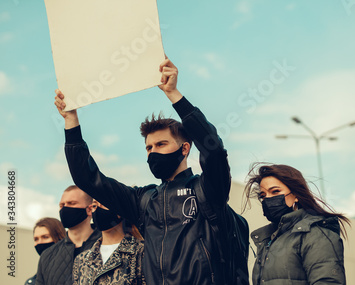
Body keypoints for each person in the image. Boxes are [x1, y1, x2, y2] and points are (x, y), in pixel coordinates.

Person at [54, 55, 248, 285]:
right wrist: (71, 120)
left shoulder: (208, 190)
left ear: (185, 148)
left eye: (161, 144)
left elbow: (214, 151)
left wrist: (174, 95)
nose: (153, 152)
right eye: (148, 147)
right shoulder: (144, 201)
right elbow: (87, 178)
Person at [244, 163, 347, 284]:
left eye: (275, 191)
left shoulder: (316, 235)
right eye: (263, 195)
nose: (268, 199)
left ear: (296, 195)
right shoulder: (268, 241)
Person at [36, 186, 101, 285]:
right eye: (62, 205)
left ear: (89, 209)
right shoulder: (47, 256)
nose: (65, 208)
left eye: (71, 203)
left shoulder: (107, 245)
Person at [73, 199, 145, 285]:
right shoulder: (82, 259)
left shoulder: (141, 252)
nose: (98, 209)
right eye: (95, 205)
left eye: (104, 204)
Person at [25, 217, 65, 285]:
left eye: (45, 237)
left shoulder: (75, 270)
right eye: (36, 239)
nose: (40, 242)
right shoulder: (31, 282)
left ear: (59, 237)